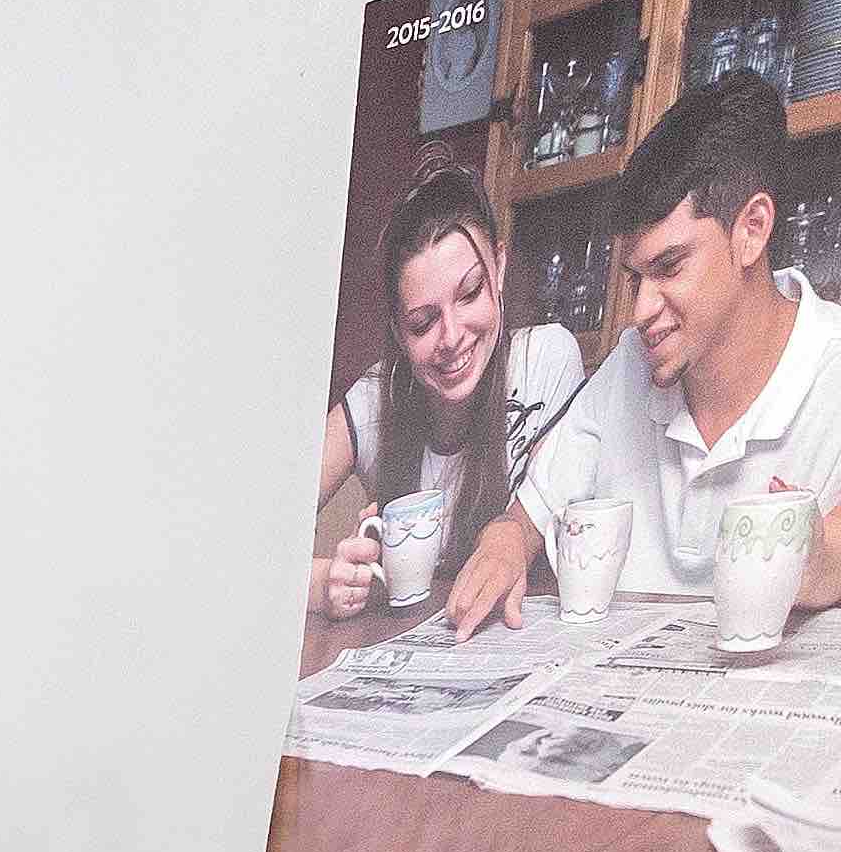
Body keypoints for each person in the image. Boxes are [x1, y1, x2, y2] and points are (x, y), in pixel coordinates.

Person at [446, 77, 841, 633]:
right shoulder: (630, 364)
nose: (639, 311)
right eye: (635, 279)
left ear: (751, 230)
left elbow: (830, 558)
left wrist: (822, 566)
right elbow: (527, 515)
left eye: (669, 267)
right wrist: (505, 540)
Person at [315, 162, 577, 620]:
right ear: (398, 331)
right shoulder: (374, 399)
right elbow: (253, 526)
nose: (452, 337)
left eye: (471, 293)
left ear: (498, 267)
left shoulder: (545, 359)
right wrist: (320, 584)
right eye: (423, 322)